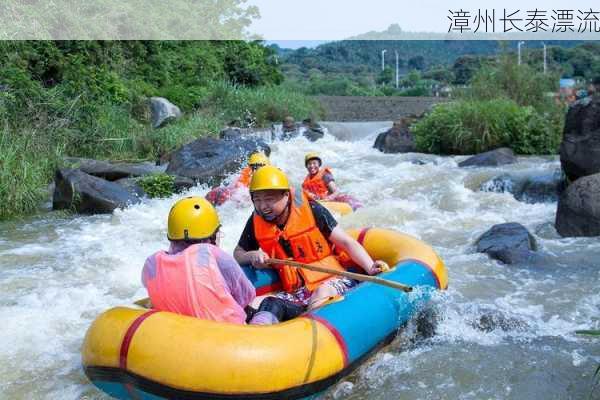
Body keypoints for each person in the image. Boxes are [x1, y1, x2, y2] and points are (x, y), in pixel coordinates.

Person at [233, 165, 388, 310]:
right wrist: (252, 255)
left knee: (320, 293)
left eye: (269, 199)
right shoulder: (256, 220)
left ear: (286, 195)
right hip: (298, 290)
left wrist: (370, 268)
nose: (263, 206)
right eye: (257, 200)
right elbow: (238, 254)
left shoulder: (312, 210)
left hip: (334, 279)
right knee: (255, 304)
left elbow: (346, 243)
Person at [142, 196, 291, 325]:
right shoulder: (211, 254)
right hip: (226, 334)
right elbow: (247, 295)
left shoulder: (152, 263)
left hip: (177, 331)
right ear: (211, 236)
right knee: (271, 303)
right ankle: (262, 329)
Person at [206, 152, 270, 206]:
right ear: (250, 167)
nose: (256, 170)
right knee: (216, 193)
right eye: (254, 167)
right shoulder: (247, 173)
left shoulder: (270, 177)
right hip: (234, 194)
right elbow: (238, 190)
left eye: (260, 167)